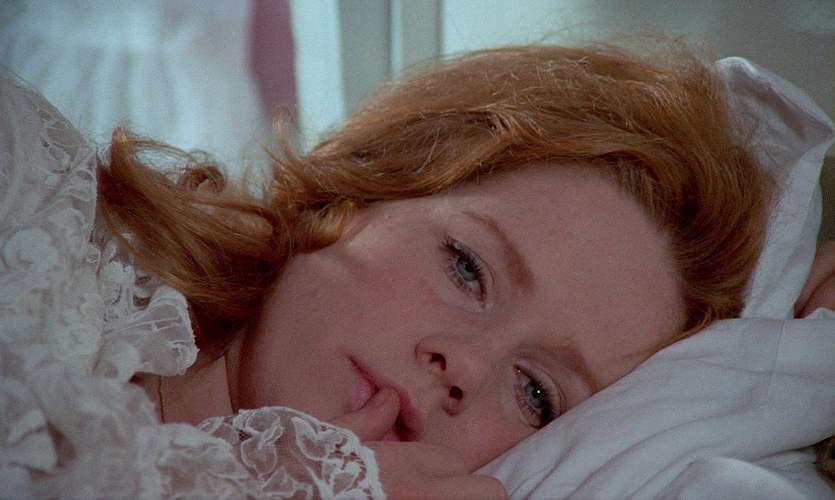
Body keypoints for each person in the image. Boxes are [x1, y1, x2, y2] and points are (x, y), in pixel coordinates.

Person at [1, 41, 832, 497]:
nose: (463, 366)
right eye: (467, 269)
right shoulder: (30, 193)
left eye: (535, 393)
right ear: (357, 192)